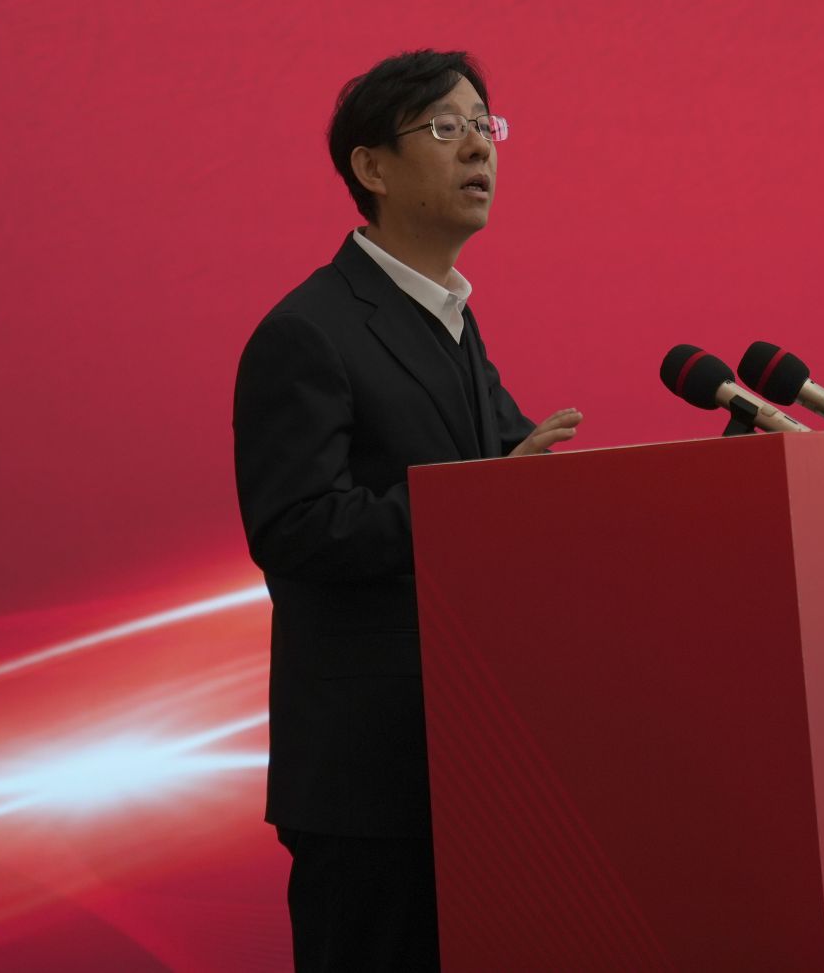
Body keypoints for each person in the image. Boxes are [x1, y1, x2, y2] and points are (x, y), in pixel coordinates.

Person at [232, 49, 580, 972]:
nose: (480, 147)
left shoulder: (452, 321)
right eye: (446, 127)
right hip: (368, 779)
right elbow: (295, 526)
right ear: (372, 167)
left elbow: (512, 471)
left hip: (470, 757)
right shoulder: (308, 331)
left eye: (485, 126)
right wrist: (479, 499)